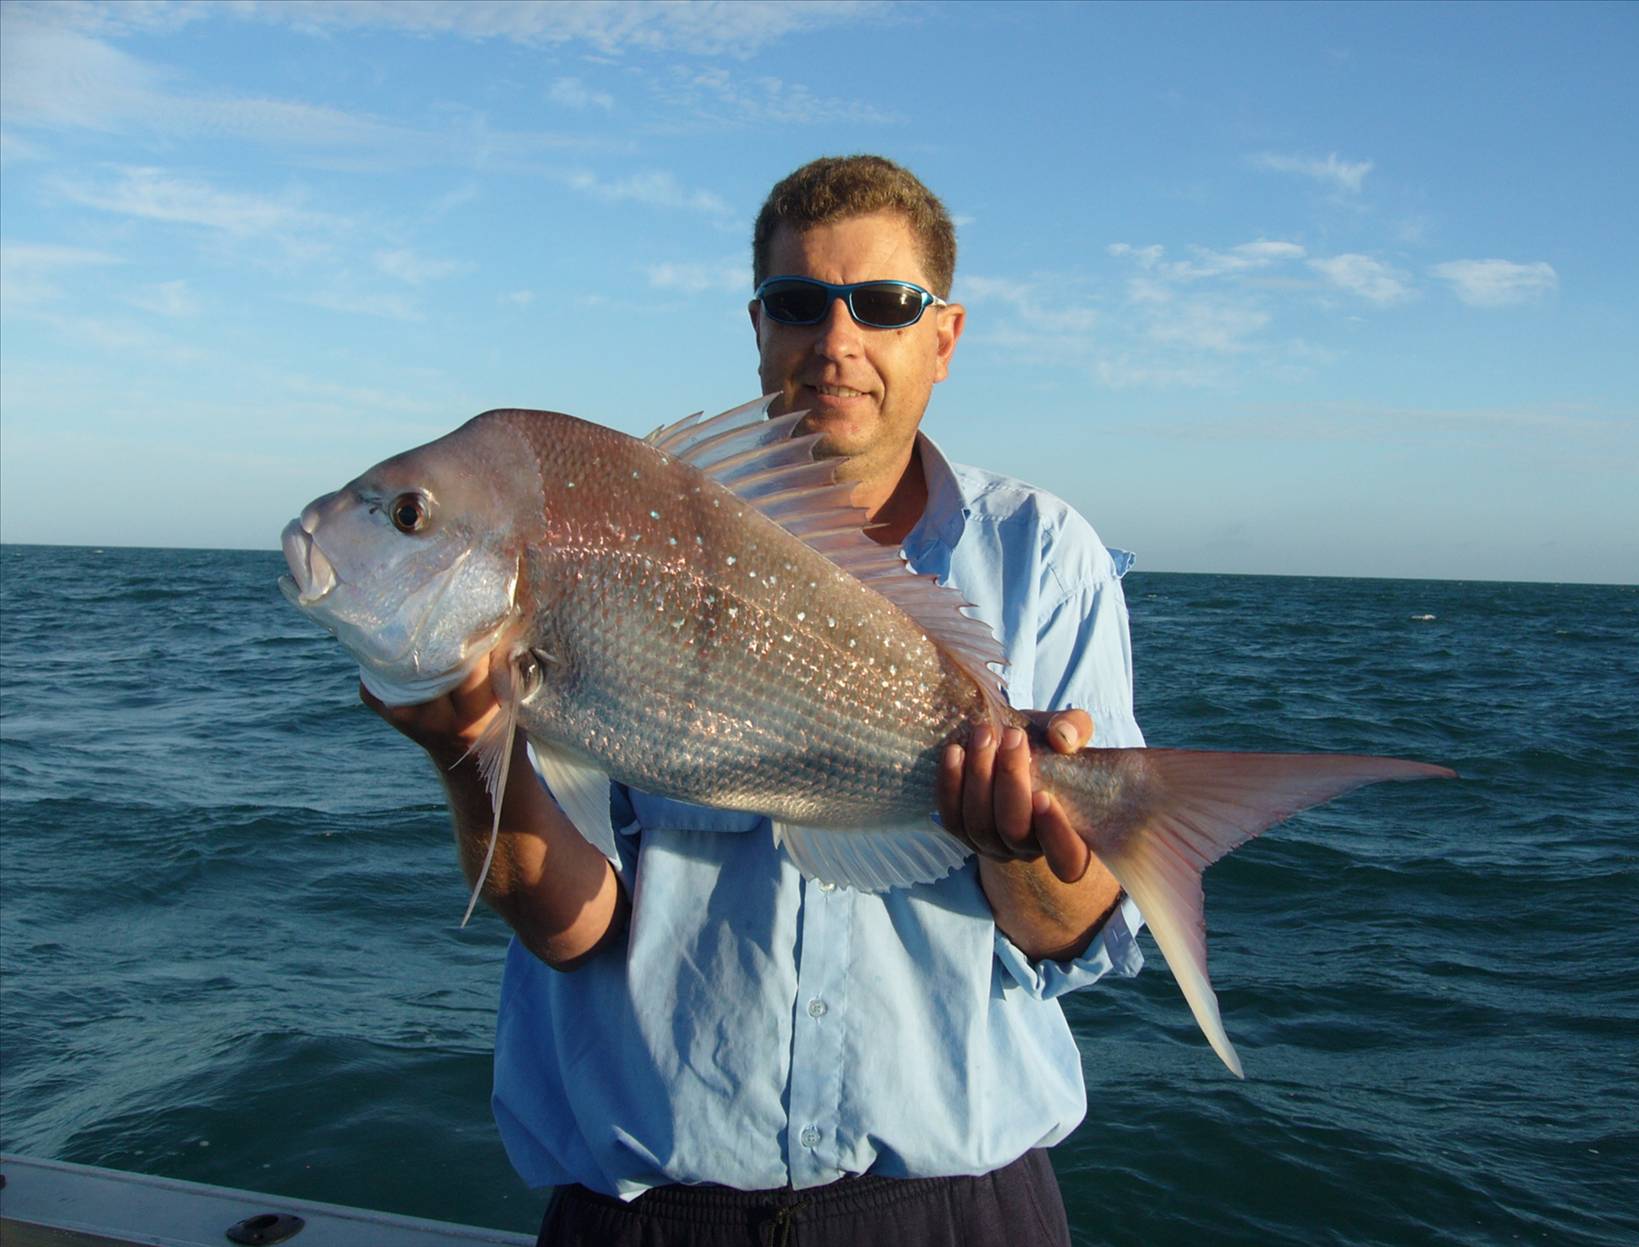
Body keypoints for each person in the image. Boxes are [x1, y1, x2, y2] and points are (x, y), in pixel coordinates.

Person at [365, 155, 1146, 1246]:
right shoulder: (626, 535)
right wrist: (470, 754)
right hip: (650, 1216)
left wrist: (1019, 841)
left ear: (944, 335)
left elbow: (1073, 938)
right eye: (797, 302)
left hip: (958, 1210)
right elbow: (574, 929)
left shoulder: (1042, 556)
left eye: (885, 304)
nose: (837, 340)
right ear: (758, 326)